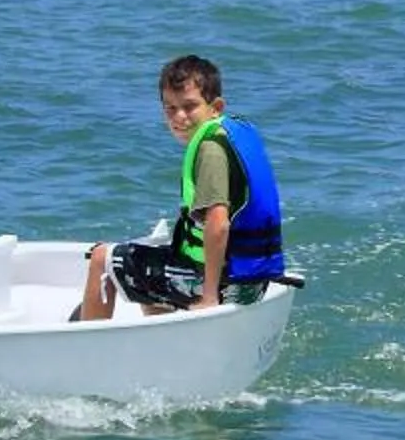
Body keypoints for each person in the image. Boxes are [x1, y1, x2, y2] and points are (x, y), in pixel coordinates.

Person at [76, 55, 286, 320]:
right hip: (247, 277)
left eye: (189, 106)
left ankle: (88, 351)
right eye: (170, 108)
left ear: (216, 107)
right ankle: (166, 340)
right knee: (151, 271)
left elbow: (218, 224)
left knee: (102, 259)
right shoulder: (229, 136)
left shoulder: (210, 151)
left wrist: (209, 297)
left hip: (224, 284)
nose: (179, 117)